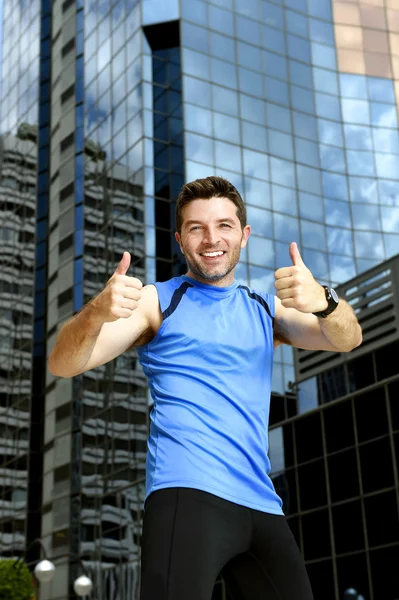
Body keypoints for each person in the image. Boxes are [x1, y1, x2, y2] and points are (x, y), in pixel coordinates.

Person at [48, 176, 362, 600]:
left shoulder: (265, 310)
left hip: (261, 502)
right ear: (180, 240)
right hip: (187, 493)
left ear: (243, 235)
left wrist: (325, 300)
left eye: (224, 225)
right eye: (196, 228)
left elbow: (348, 338)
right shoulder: (156, 302)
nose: (211, 239)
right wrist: (94, 314)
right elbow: (63, 363)